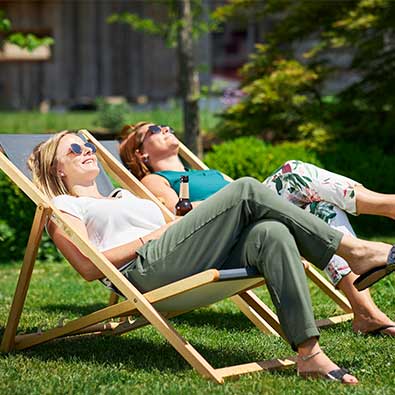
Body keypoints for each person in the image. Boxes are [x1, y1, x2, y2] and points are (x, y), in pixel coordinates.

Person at [28, 131, 395, 384]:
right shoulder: (62, 206)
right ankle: (355, 251)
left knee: (272, 233)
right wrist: (152, 236)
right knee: (247, 188)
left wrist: (178, 224)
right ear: (58, 168)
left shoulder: (124, 195)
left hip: (178, 254)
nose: (86, 151)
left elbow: (175, 225)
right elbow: (90, 268)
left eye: (85, 145)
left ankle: (309, 354)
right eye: (74, 150)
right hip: (144, 270)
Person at [119, 122, 395, 337]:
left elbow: (247, 193)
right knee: (292, 172)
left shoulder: (212, 173)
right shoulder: (155, 180)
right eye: (154, 130)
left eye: (165, 127)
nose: (165, 128)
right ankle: (386, 208)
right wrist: (230, 199)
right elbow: (177, 218)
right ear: (141, 153)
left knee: (320, 206)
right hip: (221, 233)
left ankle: (365, 312)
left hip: (251, 212)